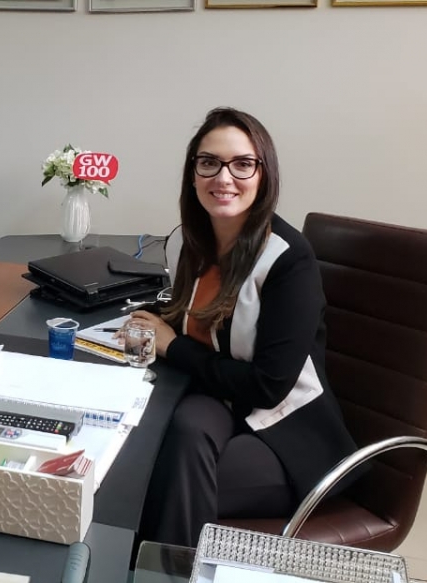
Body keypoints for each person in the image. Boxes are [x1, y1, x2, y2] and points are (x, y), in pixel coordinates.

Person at [131, 107, 358, 548]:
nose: (224, 177)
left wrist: (172, 346)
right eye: (209, 162)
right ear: (193, 174)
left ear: (263, 174)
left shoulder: (290, 259)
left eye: (242, 164)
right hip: (225, 403)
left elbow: (267, 386)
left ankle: (164, 569)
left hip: (287, 436)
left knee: (147, 481)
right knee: (180, 429)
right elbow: (199, 319)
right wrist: (149, 320)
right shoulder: (197, 240)